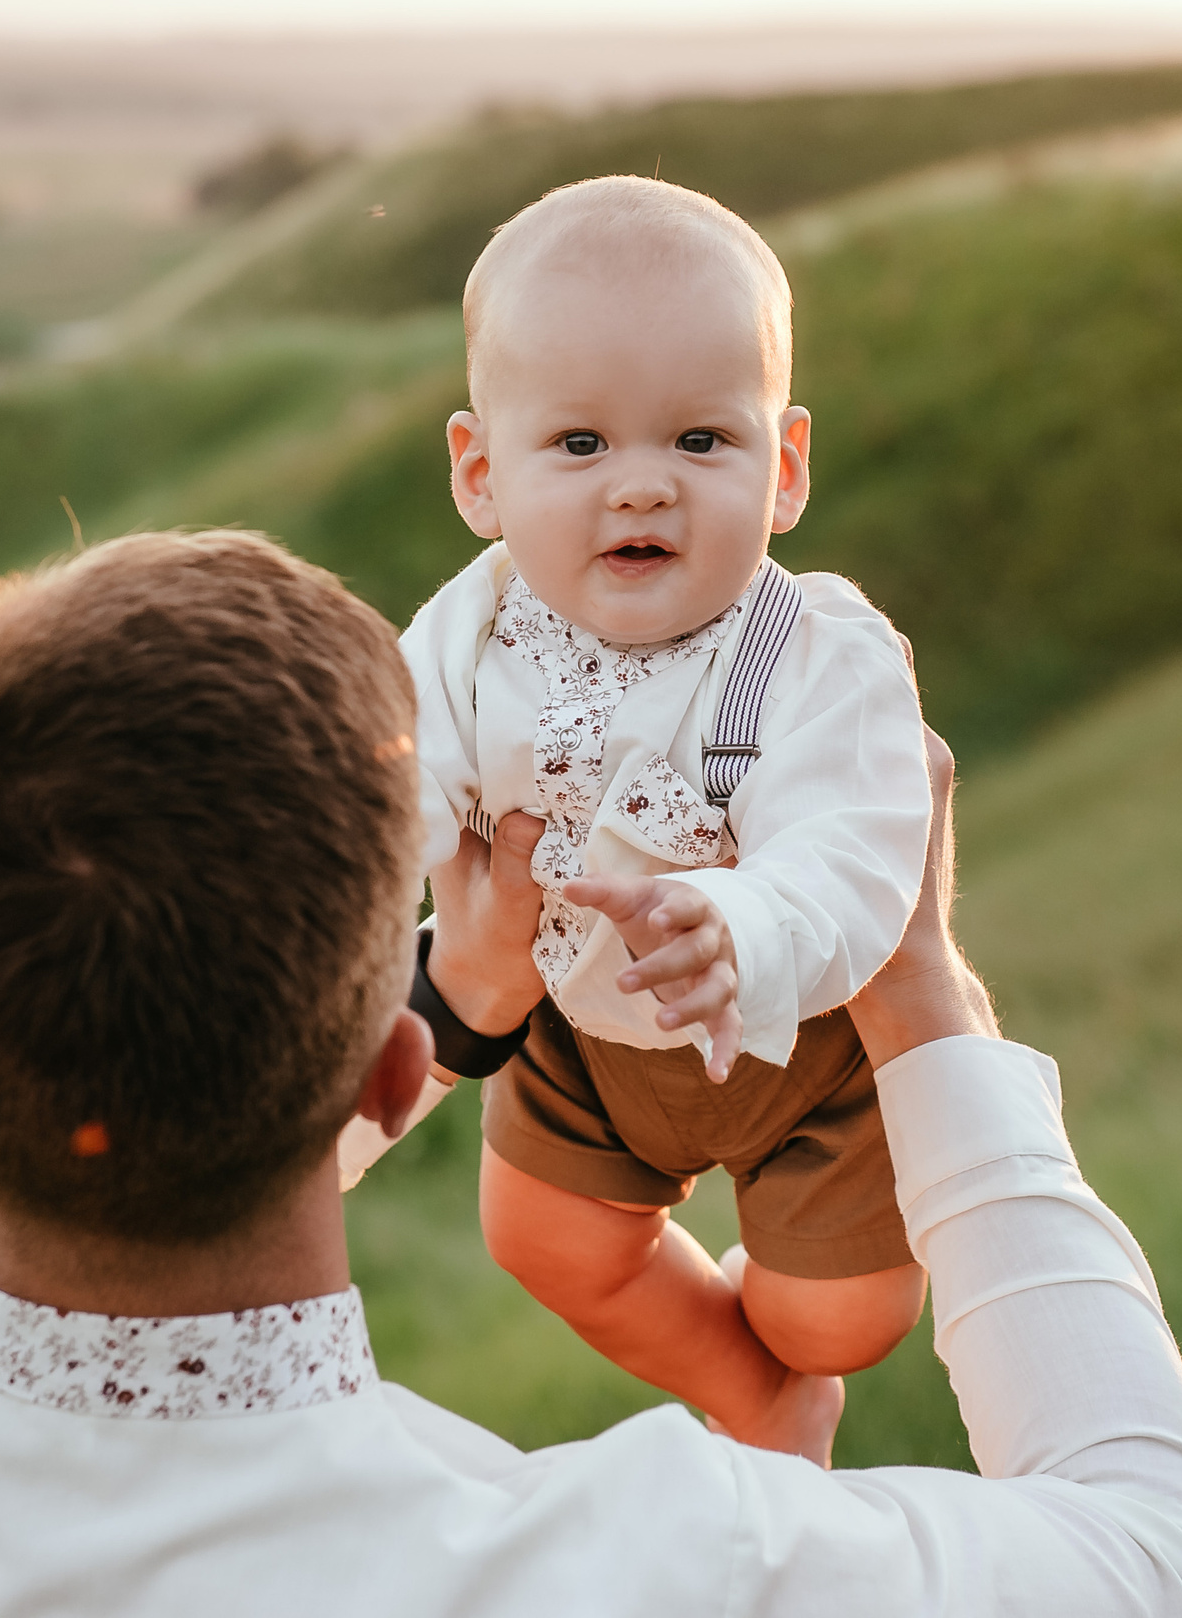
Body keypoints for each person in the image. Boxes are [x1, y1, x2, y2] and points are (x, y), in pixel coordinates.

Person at [0, 530, 1182, 1617]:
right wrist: (924, 996)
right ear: (393, 1068)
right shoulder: (641, 1563)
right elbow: (1167, 1563)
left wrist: (450, 1013)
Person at [388, 176, 931, 1458]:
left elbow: (851, 852)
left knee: (839, 1318)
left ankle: (801, 1353)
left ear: (783, 466)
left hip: (795, 1043)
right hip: (579, 1037)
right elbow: (393, 783)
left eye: (699, 443)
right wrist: (349, 867)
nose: (640, 489)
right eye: (579, 447)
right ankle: (751, 1396)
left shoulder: (814, 650)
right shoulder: (467, 637)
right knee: (542, 1238)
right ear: (480, 475)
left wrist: (741, 921)